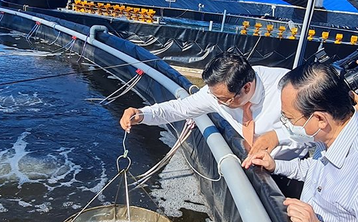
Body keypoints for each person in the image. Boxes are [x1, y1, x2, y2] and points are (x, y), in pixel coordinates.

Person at [243, 63, 358, 222]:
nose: (285, 125)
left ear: (320, 119)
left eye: (289, 119)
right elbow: (316, 170)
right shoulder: (331, 136)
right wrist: (276, 165)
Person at [120, 52, 306, 160]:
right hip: (254, 164)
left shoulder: (289, 89)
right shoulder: (217, 93)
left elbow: (325, 129)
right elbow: (180, 108)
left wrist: (278, 135)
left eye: (224, 100)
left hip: (291, 167)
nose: (217, 103)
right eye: (214, 96)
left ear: (246, 87)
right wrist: (143, 114)